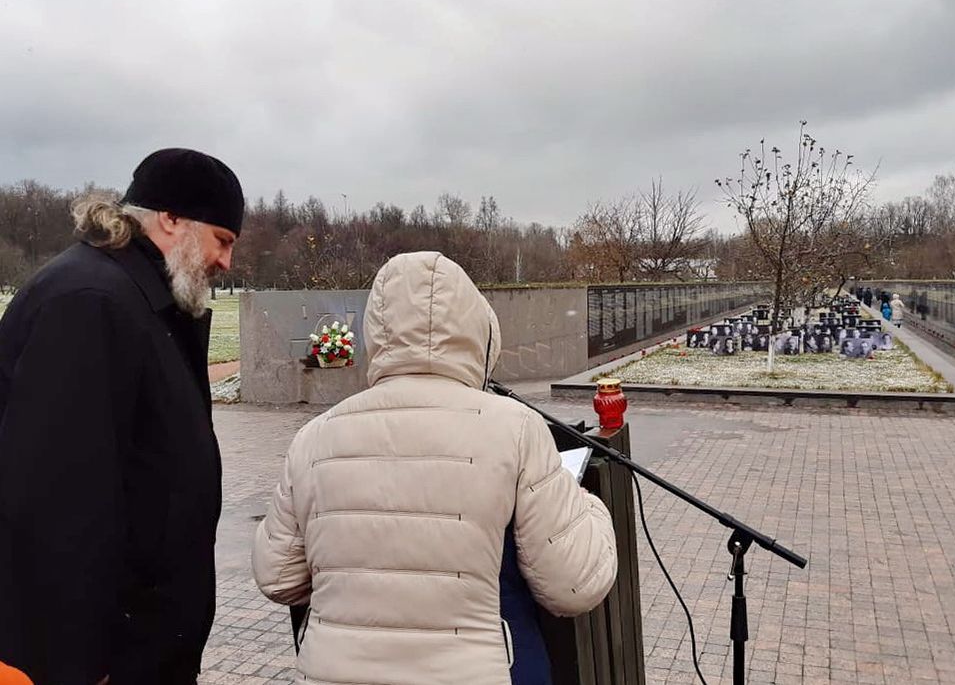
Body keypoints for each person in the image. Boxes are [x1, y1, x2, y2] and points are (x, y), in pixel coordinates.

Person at [252, 252, 617, 685]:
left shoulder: (313, 437)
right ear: (478, 331)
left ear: (377, 332)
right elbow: (574, 583)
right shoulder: (516, 429)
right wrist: (589, 508)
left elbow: (278, 576)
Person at [0, 148, 244, 684]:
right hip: (107, 660)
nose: (226, 262)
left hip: (145, 647)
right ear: (171, 218)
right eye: (222, 239)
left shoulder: (141, 299)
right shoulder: (90, 301)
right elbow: (56, 501)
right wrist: (80, 661)